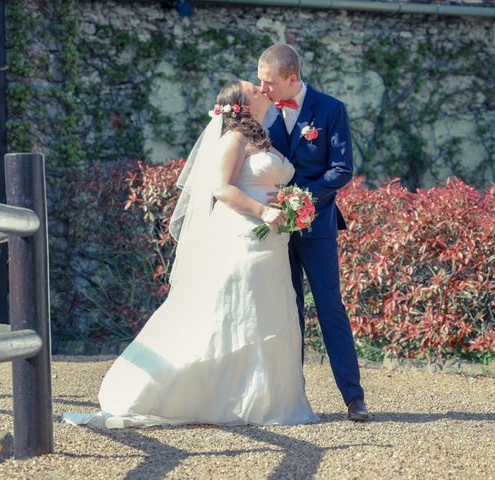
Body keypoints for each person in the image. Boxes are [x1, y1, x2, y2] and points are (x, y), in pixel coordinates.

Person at [63, 80, 319, 429]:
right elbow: (222, 188)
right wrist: (263, 212)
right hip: (242, 235)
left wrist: (290, 205)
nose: (262, 89)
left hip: (272, 243)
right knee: (235, 311)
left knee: (269, 311)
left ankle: (262, 402)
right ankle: (186, 394)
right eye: (254, 88)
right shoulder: (234, 139)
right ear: (242, 104)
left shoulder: (263, 139)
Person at [257, 44, 370, 422]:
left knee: (330, 306)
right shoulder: (260, 109)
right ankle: (292, 400)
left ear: (292, 79)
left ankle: (354, 398)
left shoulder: (331, 109)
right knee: (285, 312)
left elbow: (342, 169)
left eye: (269, 82)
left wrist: (301, 200)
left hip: (317, 224)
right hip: (272, 230)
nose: (263, 88)